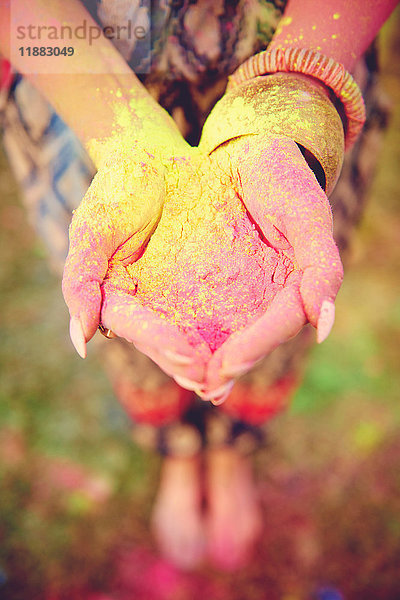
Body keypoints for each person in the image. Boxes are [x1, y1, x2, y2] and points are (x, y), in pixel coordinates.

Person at [0, 0, 397, 571]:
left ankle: (232, 449)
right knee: (127, 299)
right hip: (81, 72)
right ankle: (180, 452)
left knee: (281, 283)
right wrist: (119, 127)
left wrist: (292, 96)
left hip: (297, 46)